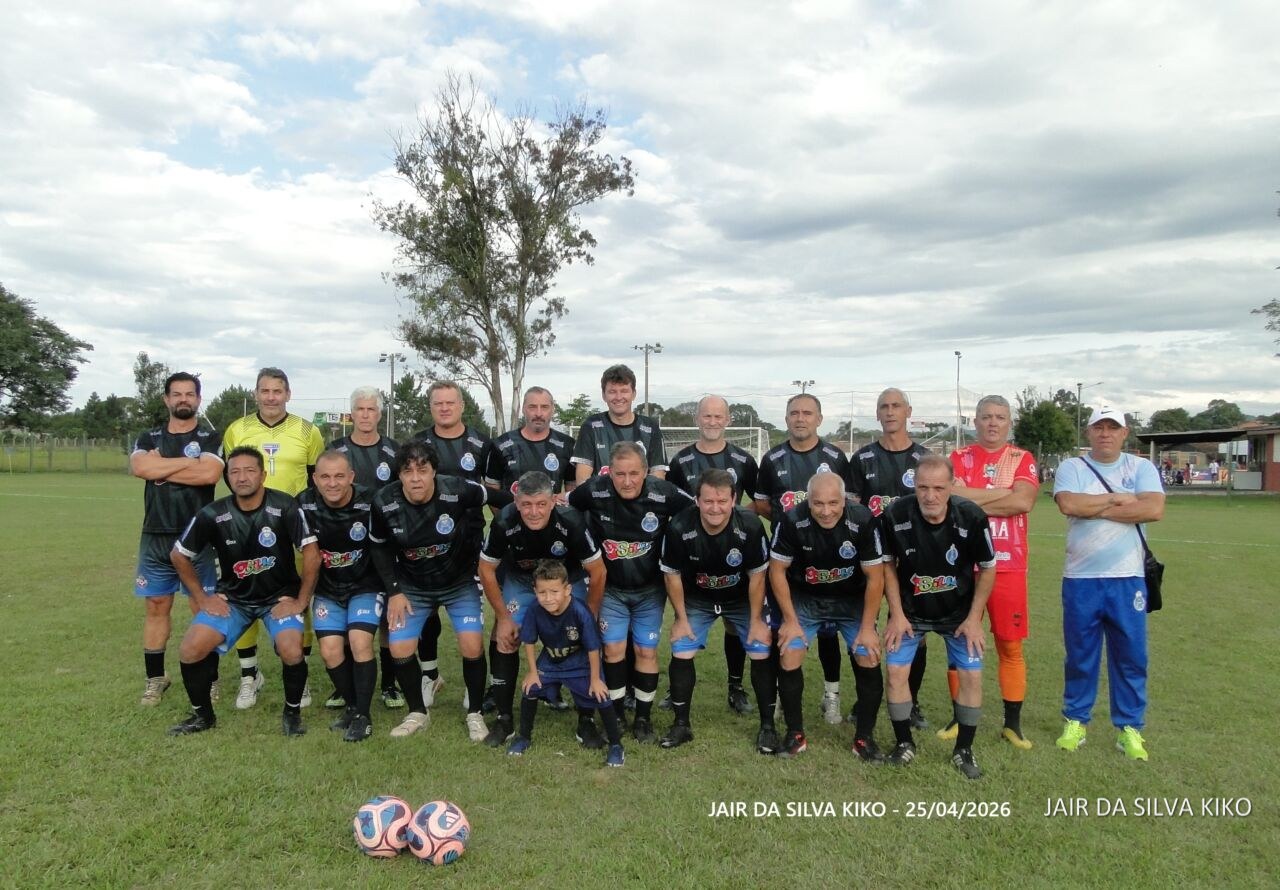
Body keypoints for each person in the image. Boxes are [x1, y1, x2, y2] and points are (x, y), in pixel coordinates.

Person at [168, 446, 320, 737]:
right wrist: (202, 598)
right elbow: (179, 555)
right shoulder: (212, 513)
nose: (242, 477)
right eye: (234, 472)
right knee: (190, 649)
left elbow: (312, 553)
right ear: (227, 477)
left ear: (263, 475)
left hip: (279, 599)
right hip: (234, 600)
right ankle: (203, 716)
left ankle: (292, 714)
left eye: (249, 471)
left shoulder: (285, 506)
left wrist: (301, 600)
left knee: (291, 649)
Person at [1052, 406, 1164, 761]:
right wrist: (1118, 498)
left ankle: (1130, 728)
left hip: (1128, 579)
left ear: (1124, 433)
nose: (1105, 433)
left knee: (1131, 655)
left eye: (1112, 427)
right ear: (1088, 432)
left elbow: (1153, 509)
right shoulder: (1072, 467)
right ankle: (1076, 721)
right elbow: (1068, 504)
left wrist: (1093, 507)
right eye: (1098, 427)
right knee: (1080, 655)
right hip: (1081, 578)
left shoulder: (1141, 468)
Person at [371, 439, 498, 741]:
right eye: (408, 471)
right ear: (399, 475)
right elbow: (379, 549)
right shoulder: (384, 501)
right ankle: (417, 712)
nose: (415, 478)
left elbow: (499, 498)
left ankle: (475, 713)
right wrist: (394, 592)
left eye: (422, 470)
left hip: (459, 582)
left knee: (471, 645)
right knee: (399, 648)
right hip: (412, 587)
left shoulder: (457, 489)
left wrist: (526, 508)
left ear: (434, 472)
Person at [879, 455, 997, 779]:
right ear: (913, 486)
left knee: (971, 677)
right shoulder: (895, 514)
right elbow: (887, 565)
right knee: (895, 672)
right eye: (923, 487)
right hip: (910, 611)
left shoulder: (972, 516)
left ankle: (964, 750)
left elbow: (988, 568)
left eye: (939, 488)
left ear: (952, 486)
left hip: (958, 614)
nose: (930, 496)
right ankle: (904, 744)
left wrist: (974, 619)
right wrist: (896, 615)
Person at [568, 442, 693, 742]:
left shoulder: (665, 493)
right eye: (620, 474)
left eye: (634, 474)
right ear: (609, 472)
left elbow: (695, 513)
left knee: (645, 651)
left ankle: (643, 719)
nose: (627, 481)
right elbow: (566, 507)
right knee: (612, 650)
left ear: (646, 471)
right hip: (611, 590)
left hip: (650, 590)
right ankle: (616, 716)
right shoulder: (593, 490)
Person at [220, 367, 325, 710]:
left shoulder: (308, 431)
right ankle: (249, 674)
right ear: (256, 394)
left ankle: (300, 675)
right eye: (264, 391)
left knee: (297, 598)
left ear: (288, 394)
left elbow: (315, 480)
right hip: (246, 528)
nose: (271, 397)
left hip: (292, 529)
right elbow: (232, 476)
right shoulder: (236, 430)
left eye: (277, 391)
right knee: (242, 595)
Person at [478, 471, 606, 748]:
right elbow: (486, 569)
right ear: (516, 502)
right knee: (505, 637)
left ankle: (586, 719)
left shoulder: (572, 520)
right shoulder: (504, 521)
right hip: (522, 582)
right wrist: (503, 617)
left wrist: (591, 613)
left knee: (583, 638)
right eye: (526, 504)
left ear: (552, 502)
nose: (533, 512)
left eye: (540, 504)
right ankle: (504, 719)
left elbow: (598, 571)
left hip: (565, 581)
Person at [767, 472, 886, 760]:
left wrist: (867, 628)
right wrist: (790, 621)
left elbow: (875, 577)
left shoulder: (863, 519)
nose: (826, 511)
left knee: (868, 654)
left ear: (844, 500)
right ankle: (795, 735)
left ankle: (864, 738)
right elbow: (777, 570)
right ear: (808, 501)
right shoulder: (791, 519)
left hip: (851, 600)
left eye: (833, 503)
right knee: (789, 652)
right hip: (806, 599)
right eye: (818, 503)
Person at [658, 468, 775, 752]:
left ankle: (768, 727)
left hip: (741, 599)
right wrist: (680, 618)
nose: (715, 508)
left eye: (722, 501)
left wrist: (757, 620)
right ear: (697, 500)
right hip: (698, 599)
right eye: (708, 501)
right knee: (681, 646)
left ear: (734, 500)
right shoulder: (679, 526)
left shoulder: (750, 525)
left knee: (761, 647)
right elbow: (672, 575)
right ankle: (681, 725)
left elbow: (758, 576)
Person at [947, 395, 1039, 749]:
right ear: (975, 421)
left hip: (1007, 564)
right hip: (963, 564)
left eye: (1000, 417)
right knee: (959, 640)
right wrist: (1002, 493)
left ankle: (1012, 724)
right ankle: (958, 717)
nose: (993, 423)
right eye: (986, 417)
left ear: (1009, 422)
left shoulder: (1021, 458)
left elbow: (1023, 501)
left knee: (1009, 644)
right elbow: (950, 499)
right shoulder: (959, 457)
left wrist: (973, 498)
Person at [754, 392, 852, 725]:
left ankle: (831, 696)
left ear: (819, 419)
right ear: (786, 419)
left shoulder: (835, 456)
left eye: (807, 413)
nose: (800, 418)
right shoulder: (772, 458)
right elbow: (763, 503)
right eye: (794, 413)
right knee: (780, 628)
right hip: (785, 561)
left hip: (829, 560)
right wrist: (792, 529)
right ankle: (781, 697)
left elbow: (848, 504)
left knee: (828, 632)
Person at [129, 372, 224, 706]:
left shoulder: (210, 437)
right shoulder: (148, 436)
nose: (183, 399)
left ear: (198, 399)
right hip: (155, 534)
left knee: (203, 606)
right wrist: (188, 463)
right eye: (177, 394)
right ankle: (156, 678)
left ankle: (209, 679)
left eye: (189, 394)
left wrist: (162, 466)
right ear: (166, 399)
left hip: (198, 536)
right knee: (156, 605)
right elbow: (141, 469)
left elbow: (209, 474)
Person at [663, 395, 760, 716]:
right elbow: (670, 503)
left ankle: (736, 686)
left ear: (728, 420)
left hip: (732, 554)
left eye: (719, 416)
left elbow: (759, 501)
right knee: (685, 624)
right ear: (697, 418)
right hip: (694, 556)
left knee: (733, 625)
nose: (712, 421)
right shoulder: (681, 460)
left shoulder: (743, 459)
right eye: (707, 415)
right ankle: (675, 690)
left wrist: (735, 524)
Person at [847, 387, 931, 729]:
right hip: (868, 558)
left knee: (915, 630)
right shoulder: (862, 458)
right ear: (877, 413)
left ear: (908, 411)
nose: (890, 411)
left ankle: (912, 701)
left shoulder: (925, 458)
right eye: (884, 406)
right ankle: (863, 699)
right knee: (863, 626)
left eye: (897, 406)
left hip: (912, 559)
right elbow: (852, 510)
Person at [298, 450, 394, 742]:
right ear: (315, 479)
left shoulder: (372, 501)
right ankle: (353, 708)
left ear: (351, 477)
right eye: (325, 477)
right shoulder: (303, 504)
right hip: (328, 589)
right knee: (330, 651)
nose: (332, 483)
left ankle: (364, 717)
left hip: (366, 585)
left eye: (340, 476)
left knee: (360, 641)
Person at [410, 380, 494, 711]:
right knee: (427, 611)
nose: (444, 408)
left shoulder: (482, 444)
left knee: (471, 616)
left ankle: (476, 683)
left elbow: (492, 492)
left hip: (468, 542)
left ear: (461, 405)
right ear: (430, 407)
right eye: (438, 403)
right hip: (425, 542)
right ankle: (430, 675)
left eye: (450, 403)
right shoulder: (418, 443)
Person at [505, 561, 626, 767]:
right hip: (551, 660)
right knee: (530, 688)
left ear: (567, 589)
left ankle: (616, 746)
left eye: (554, 591)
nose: (548, 598)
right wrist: (532, 672)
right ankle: (523, 737)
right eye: (542, 592)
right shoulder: (534, 609)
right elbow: (529, 641)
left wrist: (595, 679)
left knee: (600, 694)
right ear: (535, 591)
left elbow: (593, 648)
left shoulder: (580, 611)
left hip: (579, 662)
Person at [330, 386, 404, 711]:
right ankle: (345, 685)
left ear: (379, 414)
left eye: (371, 409)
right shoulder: (336, 450)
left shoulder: (393, 451)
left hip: (386, 544)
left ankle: (389, 684)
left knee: (389, 615)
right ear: (352, 414)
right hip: (346, 545)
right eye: (359, 409)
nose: (365, 415)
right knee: (349, 613)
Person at [571, 364, 667, 482]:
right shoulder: (591, 426)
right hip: (600, 494)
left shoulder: (650, 427)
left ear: (634, 394)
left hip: (641, 495)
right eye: (612, 392)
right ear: (604, 395)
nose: (618, 397)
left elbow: (658, 476)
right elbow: (582, 477)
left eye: (624, 391)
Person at [485, 386, 577, 495]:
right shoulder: (501, 444)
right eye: (532, 407)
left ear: (552, 410)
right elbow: (492, 490)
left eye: (544, 407)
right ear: (523, 409)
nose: (538, 413)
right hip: (511, 507)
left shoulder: (567, 445)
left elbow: (572, 490)